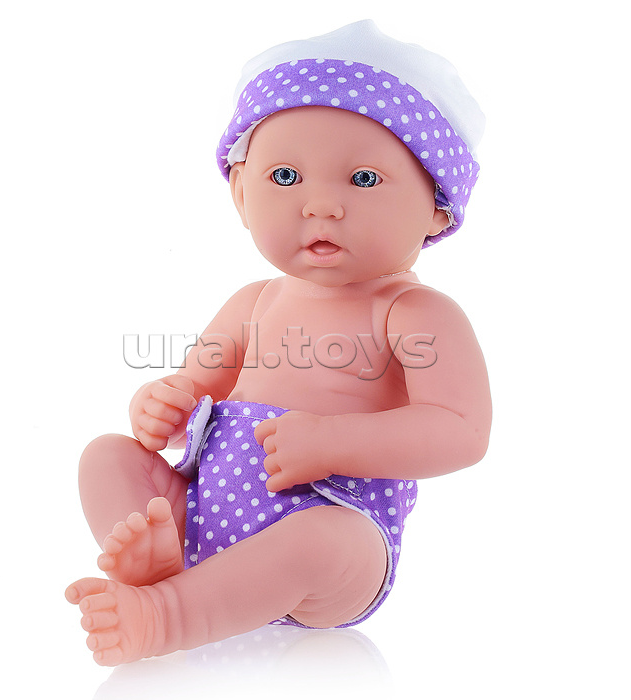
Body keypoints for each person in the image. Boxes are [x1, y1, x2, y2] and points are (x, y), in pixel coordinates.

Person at [66, 19, 492, 666]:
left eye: (364, 180)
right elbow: (189, 392)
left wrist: (333, 442)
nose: (321, 205)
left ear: (438, 207)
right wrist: (160, 404)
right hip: (203, 514)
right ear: (241, 193)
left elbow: (462, 430)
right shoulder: (254, 302)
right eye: (286, 176)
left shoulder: (413, 313)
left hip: (339, 525)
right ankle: (164, 558)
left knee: (320, 542)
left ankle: (166, 613)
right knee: (107, 457)